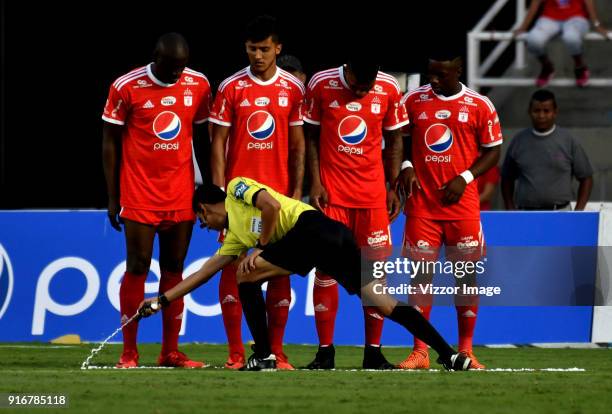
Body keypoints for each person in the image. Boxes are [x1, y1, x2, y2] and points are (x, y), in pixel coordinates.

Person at [137, 177, 473, 372]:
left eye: (202, 219)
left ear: (205, 208)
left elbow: (272, 206)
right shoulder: (235, 238)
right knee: (383, 303)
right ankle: (450, 355)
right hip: (332, 237)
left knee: (245, 275)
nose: (204, 226)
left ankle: (265, 354)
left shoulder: (237, 186)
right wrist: (161, 300)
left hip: (314, 229)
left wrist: (262, 248)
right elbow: (206, 273)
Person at [102, 33, 212, 368]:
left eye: (182, 66)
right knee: (137, 265)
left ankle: (170, 351)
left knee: (174, 269)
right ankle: (129, 352)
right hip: (139, 192)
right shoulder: (126, 86)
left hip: (181, 192)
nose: (177, 74)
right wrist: (112, 196)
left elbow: (203, 139)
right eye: (171, 67)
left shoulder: (199, 84)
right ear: (156, 58)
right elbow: (109, 143)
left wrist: (207, 192)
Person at [208, 15, 305, 370]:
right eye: (252, 49)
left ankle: (276, 352)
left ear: (278, 48)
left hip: (276, 202)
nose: (258, 56)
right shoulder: (231, 87)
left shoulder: (293, 90)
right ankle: (236, 353)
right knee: (232, 269)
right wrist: (219, 194)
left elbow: (298, 145)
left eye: (265, 49)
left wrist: (296, 192)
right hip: (238, 199)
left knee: (279, 273)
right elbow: (216, 142)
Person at [396, 50, 502, 370]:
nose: (434, 80)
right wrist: (406, 164)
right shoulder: (413, 101)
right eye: (430, 73)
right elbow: (399, 139)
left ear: (458, 70)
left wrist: (465, 177)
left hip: (462, 207)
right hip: (422, 206)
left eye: (441, 74)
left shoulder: (479, 105)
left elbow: (493, 149)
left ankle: (467, 349)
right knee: (420, 280)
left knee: (466, 278)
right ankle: (420, 352)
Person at [302, 54, 407, 369]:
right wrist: (316, 183)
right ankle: (325, 352)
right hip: (332, 198)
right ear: (347, 70)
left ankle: (373, 352)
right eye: (359, 87)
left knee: (374, 276)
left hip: (373, 199)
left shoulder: (388, 87)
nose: (363, 92)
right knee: (326, 271)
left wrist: (391, 187)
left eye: (368, 87)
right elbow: (310, 137)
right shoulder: (321, 84)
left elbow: (395, 139)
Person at [501, 89, 593, 210]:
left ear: (555, 112)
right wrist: (510, 207)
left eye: (546, 111)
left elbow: (586, 178)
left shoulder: (568, 141)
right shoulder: (518, 141)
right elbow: (507, 178)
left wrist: (578, 212)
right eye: (536, 111)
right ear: (529, 112)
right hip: (526, 213)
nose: (541, 115)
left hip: (560, 213)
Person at [514, 0, 609, 87]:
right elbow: (535, 3)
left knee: (571, 37)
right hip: (549, 18)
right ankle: (547, 67)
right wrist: (523, 27)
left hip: (576, 17)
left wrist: (597, 25)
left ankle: (580, 67)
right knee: (533, 39)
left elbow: (589, 2)